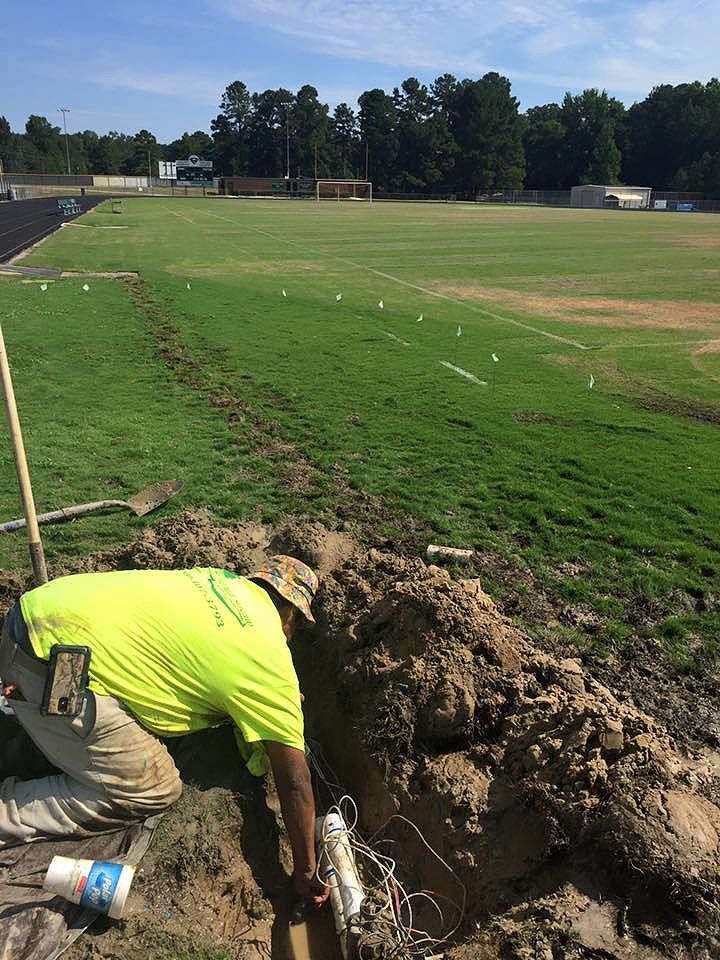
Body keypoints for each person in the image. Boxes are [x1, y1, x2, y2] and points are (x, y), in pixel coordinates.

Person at [0, 555, 328, 907]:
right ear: (290, 613)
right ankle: (9, 814)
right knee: (152, 788)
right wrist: (306, 871)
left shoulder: (216, 578)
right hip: (56, 670)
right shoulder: (270, 659)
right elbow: (294, 780)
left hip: (31, 617)